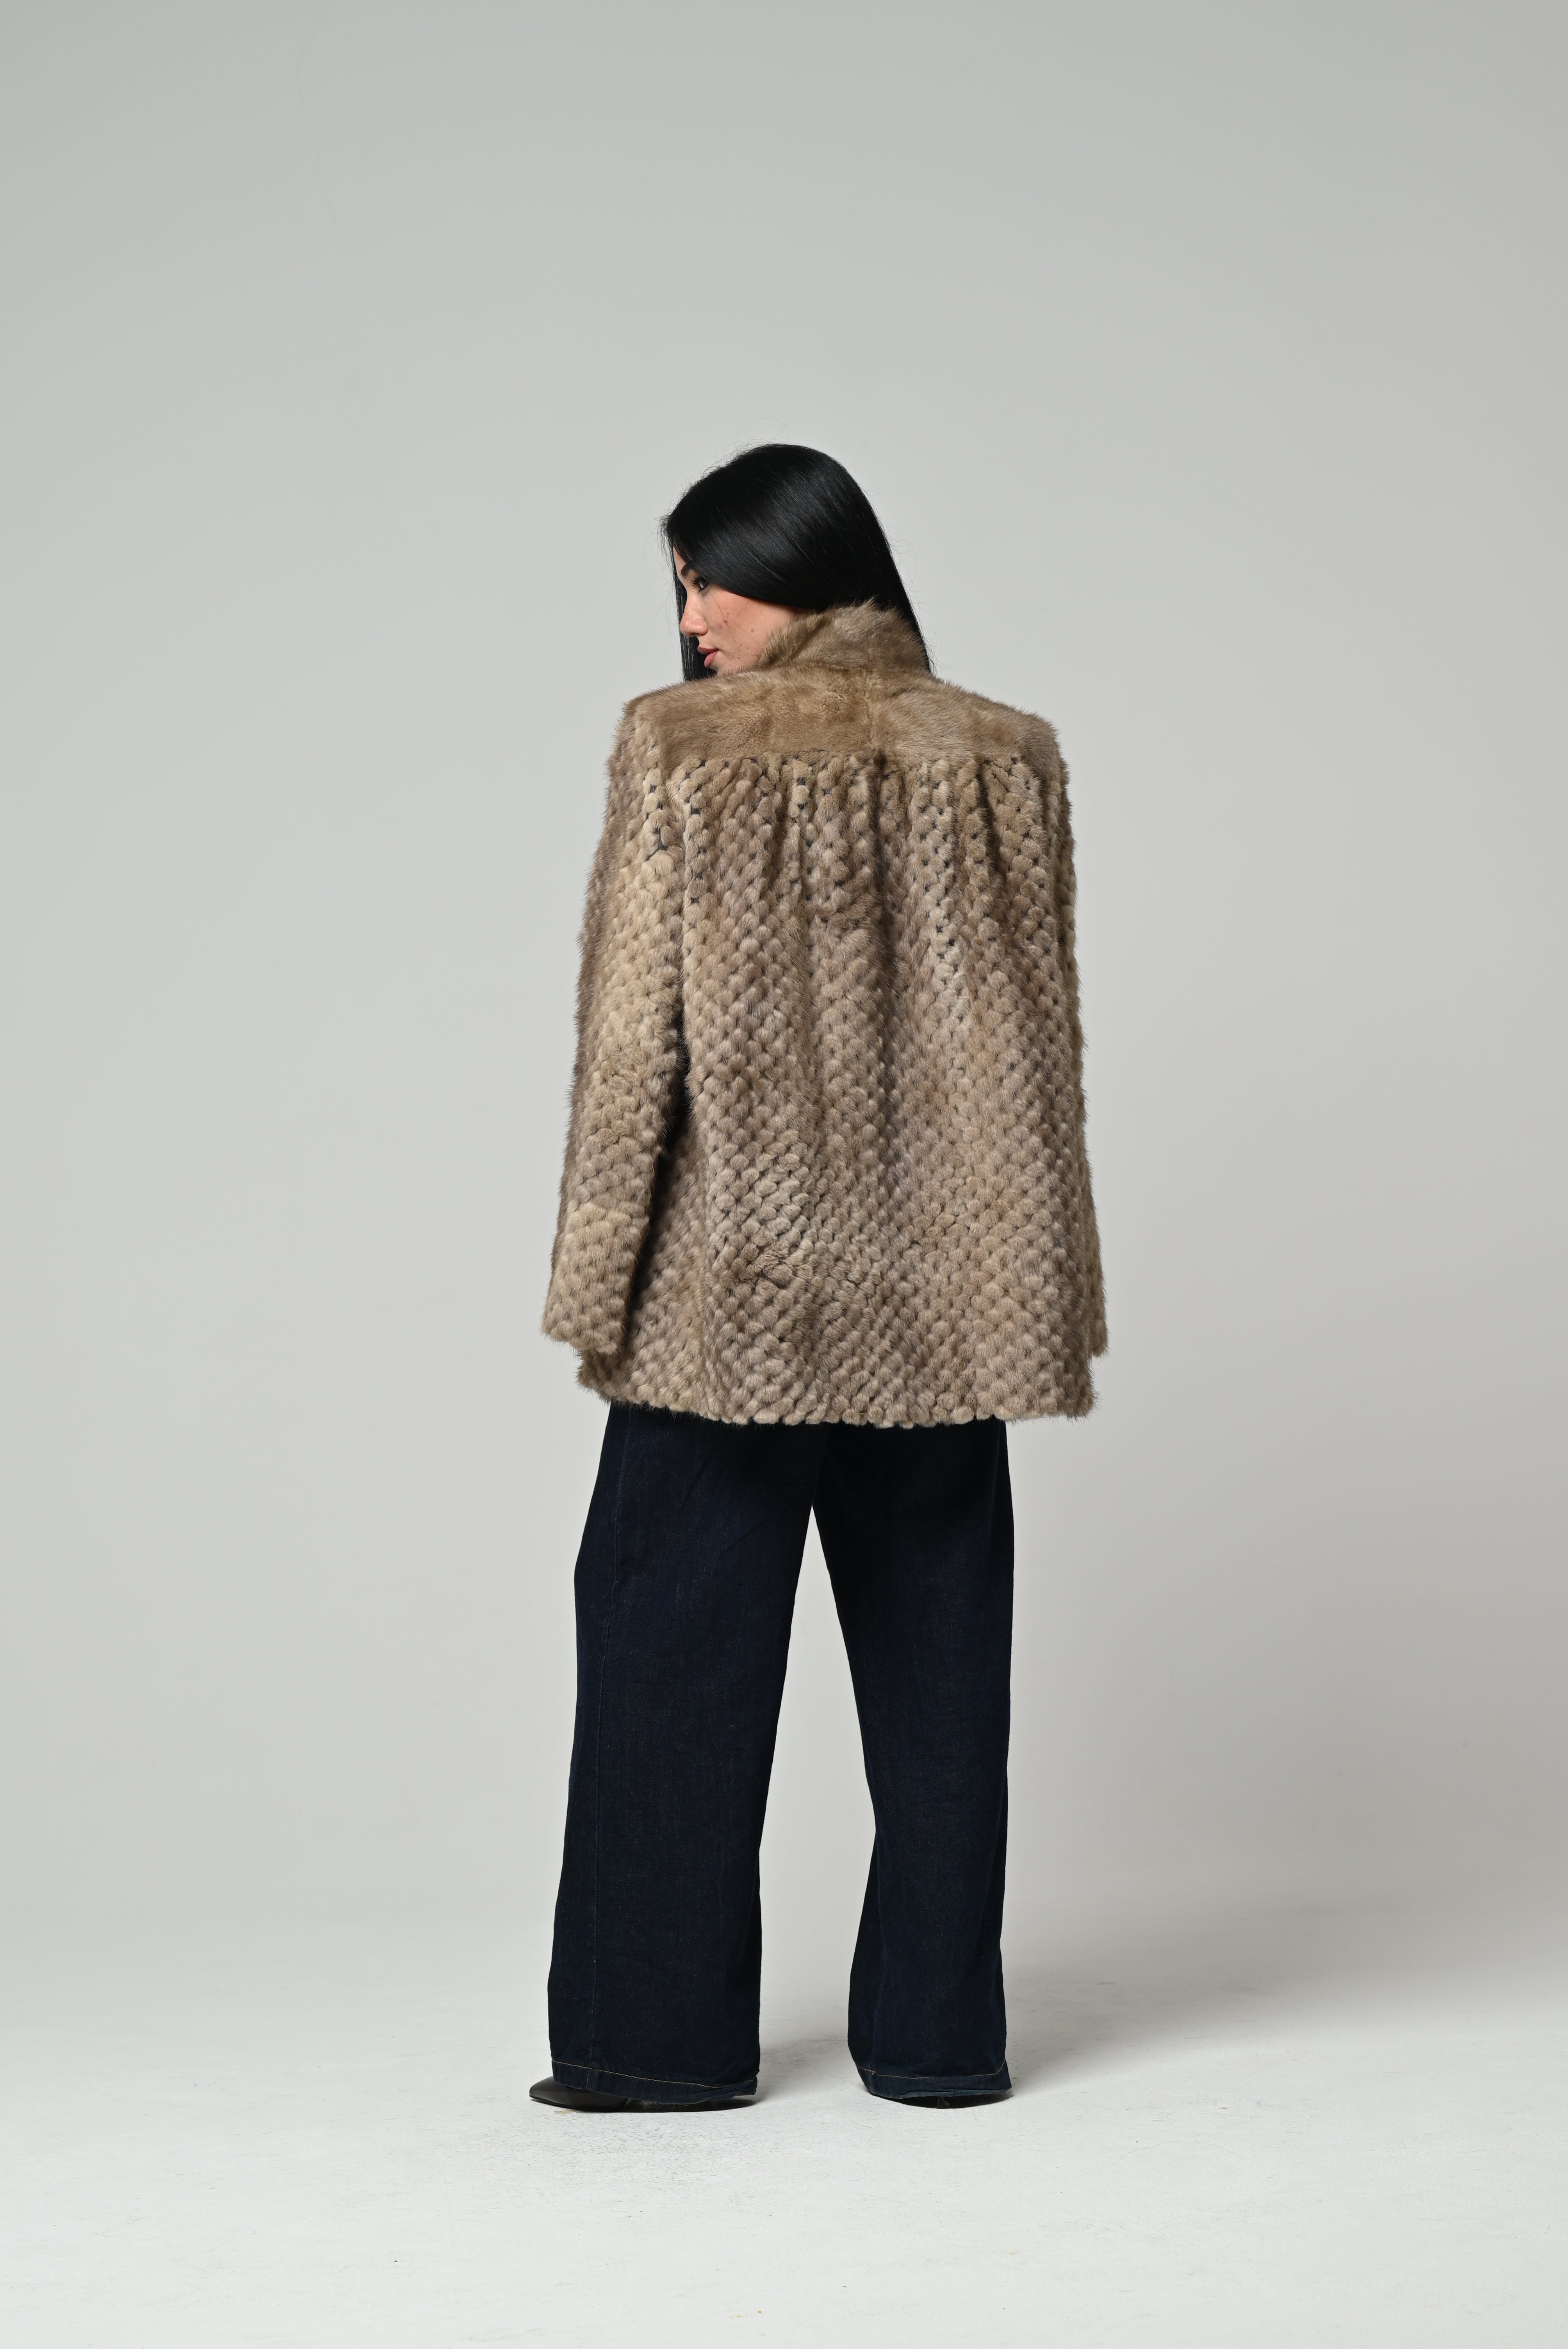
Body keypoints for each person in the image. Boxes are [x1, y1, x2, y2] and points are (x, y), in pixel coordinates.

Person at [531, 444, 1105, 2115]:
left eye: (714, 579)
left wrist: (593, 1281)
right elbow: (1040, 1059)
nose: (693, 619)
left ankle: (649, 2044)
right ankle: (938, 2040)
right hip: (949, 1301)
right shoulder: (1000, 754)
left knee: (663, 1645)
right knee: (942, 1663)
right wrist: (1034, 1288)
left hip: (730, 1300)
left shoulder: (680, 751)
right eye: (682, 587)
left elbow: (628, 1051)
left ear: (801, 568)